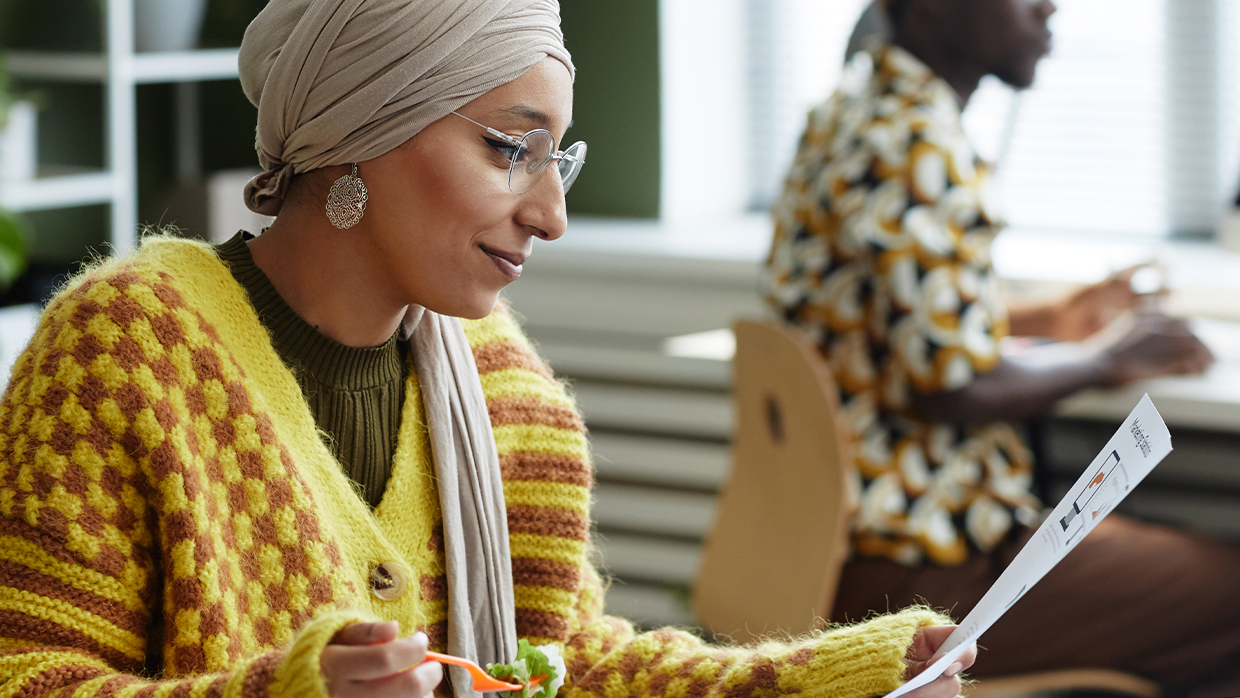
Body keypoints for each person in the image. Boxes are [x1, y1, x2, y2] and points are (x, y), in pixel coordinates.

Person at [0, 2, 977, 697]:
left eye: (559, 157)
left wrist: (836, 679)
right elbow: (27, 674)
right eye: (511, 149)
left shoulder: (510, 396)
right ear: (358, 130)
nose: (550, 215)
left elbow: (559, 666)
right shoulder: (122, 352)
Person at [764, 0, 1240, 696]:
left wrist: (1052, 316)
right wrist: (1113, 359)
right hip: (923, 561)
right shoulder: (916, 140)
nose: (1049, 7)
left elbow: (888, 322)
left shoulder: (851, 110)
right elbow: (950, 387)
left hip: (830, 540)